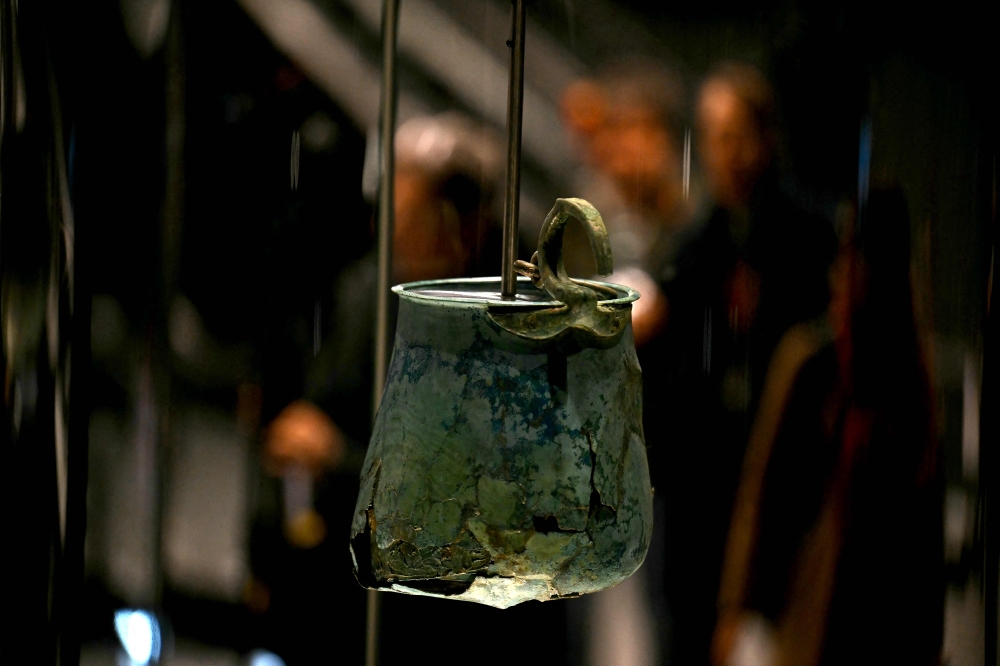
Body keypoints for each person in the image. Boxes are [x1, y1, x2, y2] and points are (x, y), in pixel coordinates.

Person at [645, 62, 837, 665]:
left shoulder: (808, 233)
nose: (723, 154)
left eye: (735, 136)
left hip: (780, 479)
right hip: (699, 480)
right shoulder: (699, 235)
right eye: (712, 137)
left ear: (765, 138)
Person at [712, 186, 943, 666]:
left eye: (862, 258)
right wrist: (737, 608)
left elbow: (923, 526)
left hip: (878, 615)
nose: (847, 273)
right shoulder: (813, 360)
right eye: (848, 256)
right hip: (806, 602)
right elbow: (764, 490)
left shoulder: (909, 375)